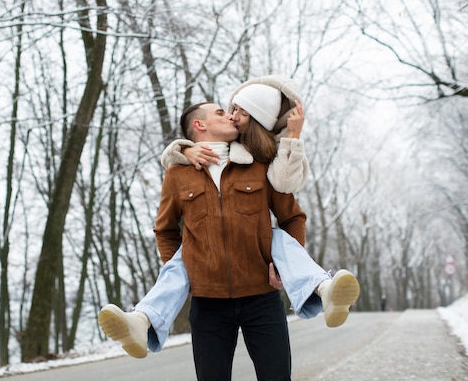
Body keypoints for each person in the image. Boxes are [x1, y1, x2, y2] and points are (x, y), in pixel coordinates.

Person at [98, 76, 360, 365]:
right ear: (200, 125)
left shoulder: (260, 163)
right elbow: (165, 230)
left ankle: (323, 288)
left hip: (261, 297)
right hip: (208, 304)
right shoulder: (178, 174)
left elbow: (292, 216)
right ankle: (141, 320)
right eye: (221, 112)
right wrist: (185, 275)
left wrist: (282, 269)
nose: (231, 115)